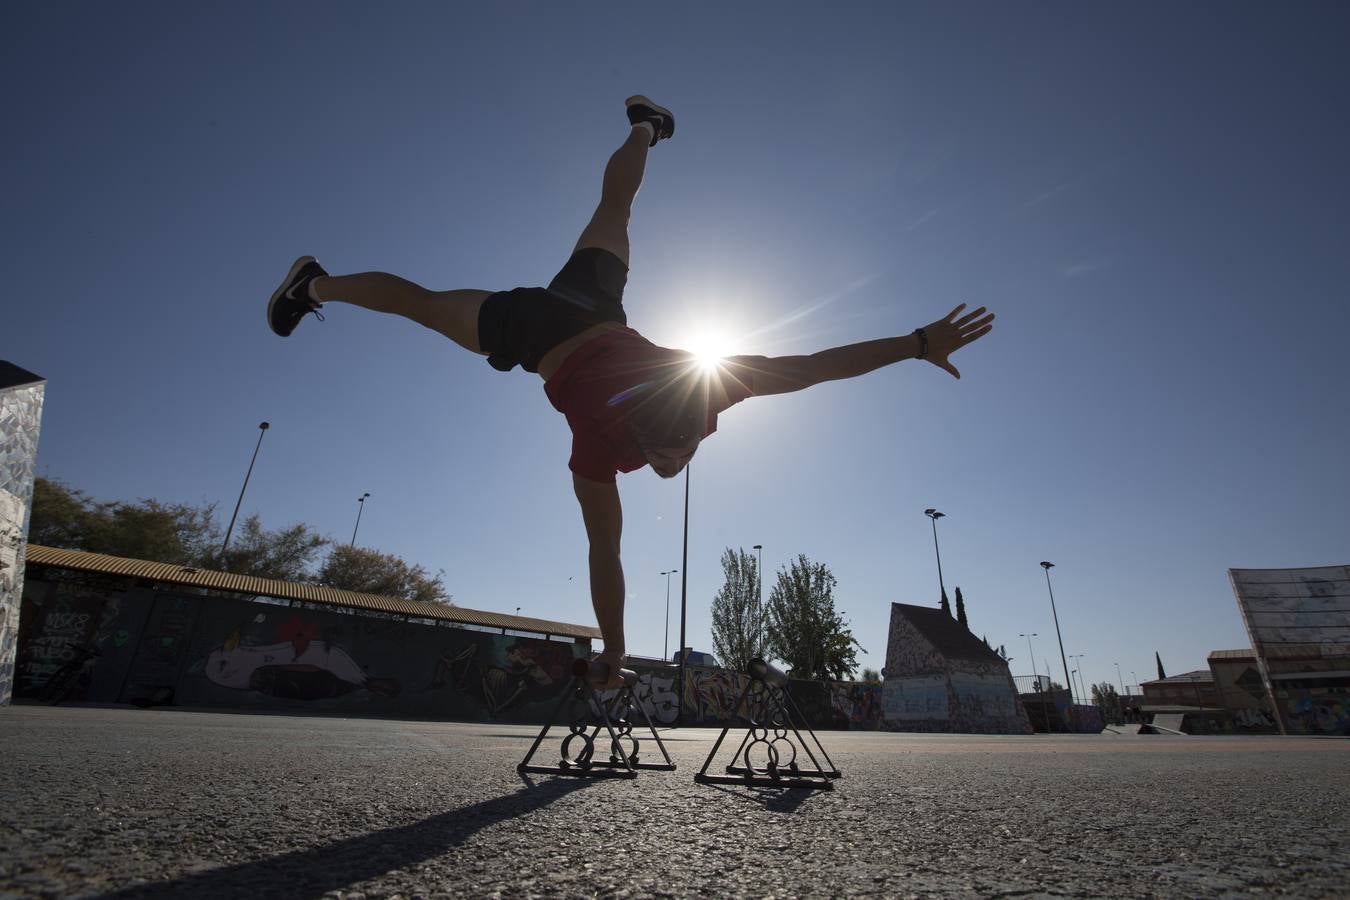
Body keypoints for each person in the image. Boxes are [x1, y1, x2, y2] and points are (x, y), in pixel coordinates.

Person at [267, 96, 995, 688]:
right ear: (654, 437)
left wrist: (918, 345)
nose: (672, 465)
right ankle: (314, 282)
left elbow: (811, 367)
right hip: (534, 332)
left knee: (615, 210)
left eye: (677, 457)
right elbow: (605, 550)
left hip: (592, 307)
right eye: (671, 456)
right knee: (423, 304)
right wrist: (916, 344)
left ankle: (646, 127)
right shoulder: (603, 445)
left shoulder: (707, 389)